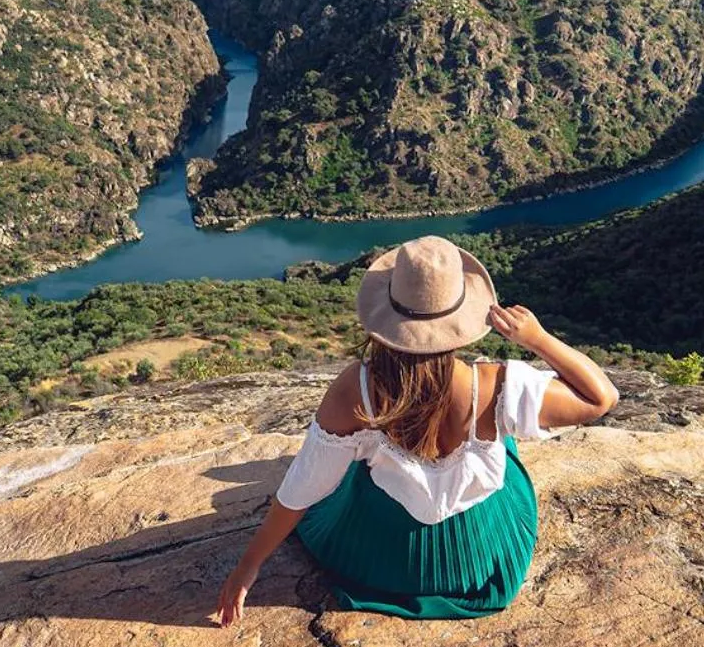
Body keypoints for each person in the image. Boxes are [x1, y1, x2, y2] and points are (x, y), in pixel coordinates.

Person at [215, 236, 619, 625]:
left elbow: (303, 487)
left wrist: (248, 567)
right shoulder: (498, 386)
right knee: (505, 438)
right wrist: (537, 339)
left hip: (382, 559)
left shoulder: (356, 390)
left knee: (348, 465)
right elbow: (601, 398)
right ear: (463, 319)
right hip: (479, 560)